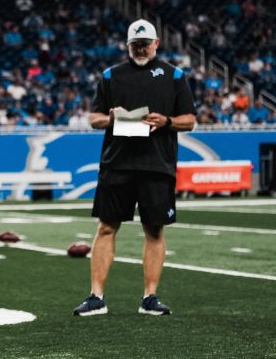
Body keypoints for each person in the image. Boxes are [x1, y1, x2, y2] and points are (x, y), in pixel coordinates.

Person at [73, 19, 196, 317]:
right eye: (135, 45)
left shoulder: (175, 75)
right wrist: (112, 118)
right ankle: (96, 297)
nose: (140, 49)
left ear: (156, 43)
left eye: (145, 44)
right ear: (127, 46)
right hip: (118, 162)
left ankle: (150, 297)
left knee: (154, 230)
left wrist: (165, 121)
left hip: (157, 163)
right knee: (106, 227)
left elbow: (189, 120)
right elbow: (94, 119)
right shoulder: (111, 76)